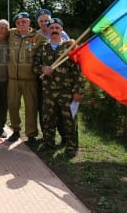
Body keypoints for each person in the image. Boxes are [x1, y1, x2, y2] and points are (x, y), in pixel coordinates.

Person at [33, 18, 83, 157]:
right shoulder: (43, 49)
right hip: (48, 91)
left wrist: (78, 91)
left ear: (61, 30)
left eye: (57, 28)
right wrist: (43, 69)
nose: (54, 30)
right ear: (48, 31)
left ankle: (72, 146)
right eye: (52, 28)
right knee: (48, 119)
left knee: (70, 120)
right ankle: (49, 143)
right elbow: (35, 66)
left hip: (66, 92)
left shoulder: (69, 48)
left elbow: (77, 71)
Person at [7, 12, 46, 144]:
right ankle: (16, 130)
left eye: (24, 21)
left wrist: (70, 41)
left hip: (30, 80)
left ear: (29, 22)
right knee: (13, 106)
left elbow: (51, 45)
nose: (21, 24)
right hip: (13, 79)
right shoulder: (11, 34)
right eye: (18, 22)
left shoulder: (38, 37)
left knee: (31, 107)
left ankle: (31, 135)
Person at [35, 8, 69, 144]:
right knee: (45, 109)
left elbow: (70, 47)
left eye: (46, 20)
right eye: (41, 21)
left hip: (61, 81)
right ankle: (47, 136)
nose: (44, 23)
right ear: (37, 22)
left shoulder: (62, 33)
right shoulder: (36, 35)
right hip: (44, 80)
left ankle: (64, 135)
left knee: (61, 111)